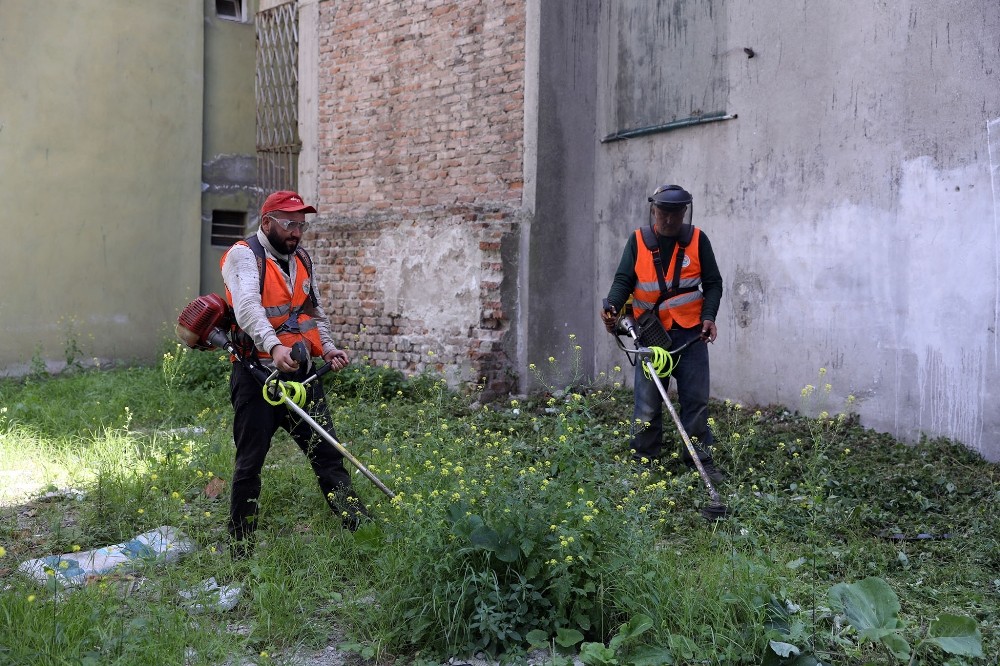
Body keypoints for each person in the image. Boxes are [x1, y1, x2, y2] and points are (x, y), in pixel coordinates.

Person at [220, 190, 368, 557]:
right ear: (267, 222)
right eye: (290, 224)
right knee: (250, 464)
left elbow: (312, 311)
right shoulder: (244, 256)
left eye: (302, 225)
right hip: (258, 377)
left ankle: (365, 536)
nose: (297, 232)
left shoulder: (301, 258)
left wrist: (327, 348)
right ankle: (241, 550)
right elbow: (248, 308)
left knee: (328, 455)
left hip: (302, 376)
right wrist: (274, 347)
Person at [601, 183, 726, 483]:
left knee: (696, 402)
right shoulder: (637, 241)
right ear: (653, 211)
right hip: (650, 336)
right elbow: (623, 280)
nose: (668, 220)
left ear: (685, 212)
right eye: (662, 213)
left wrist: (709, 317)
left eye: (675, 213)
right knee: (646, 405)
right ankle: (643, 462)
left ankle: (700, 461)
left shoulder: (698, 240)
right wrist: (613, 306)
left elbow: (713, 283)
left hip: (691, 336)